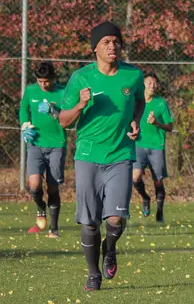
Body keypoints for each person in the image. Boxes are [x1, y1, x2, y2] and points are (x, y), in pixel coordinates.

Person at [59, 22, 145, 291]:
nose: (112, 46)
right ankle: (94, 273)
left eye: (116, 41)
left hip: (120, 154)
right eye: (106, 42)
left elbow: (139, 101)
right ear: (94, 47)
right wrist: (81, 105)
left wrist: (135, 120)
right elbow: (63, 121)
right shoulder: (81, 78)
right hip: (88, 155)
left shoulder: (133, 76)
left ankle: (110, 249)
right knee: (89, 221)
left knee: (116, 219)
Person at [20, 61, 66, 237]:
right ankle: (40, 207)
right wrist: (25, 125)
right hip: (35, 144)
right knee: (34, 184)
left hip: (56, 145)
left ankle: (54, 229)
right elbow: (24, 110)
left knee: (53, 188)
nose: (43, 84)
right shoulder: (31, 91)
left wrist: (54, 111)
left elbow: (69, 118)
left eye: (46, 81)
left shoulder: (62, 92)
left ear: (53, 78)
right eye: (40, 81)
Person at [132, 72, 173, 223]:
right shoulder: (135, 102)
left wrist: (157, 123)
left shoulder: (161, 104)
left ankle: (160, 212)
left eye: (155, 83)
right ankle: (145, 198)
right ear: (143, 84)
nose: (152, 86)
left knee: (158, 181)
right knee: (135, 177)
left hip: (156, 146)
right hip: (138, 145)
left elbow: (170, 127)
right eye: (149, 82)